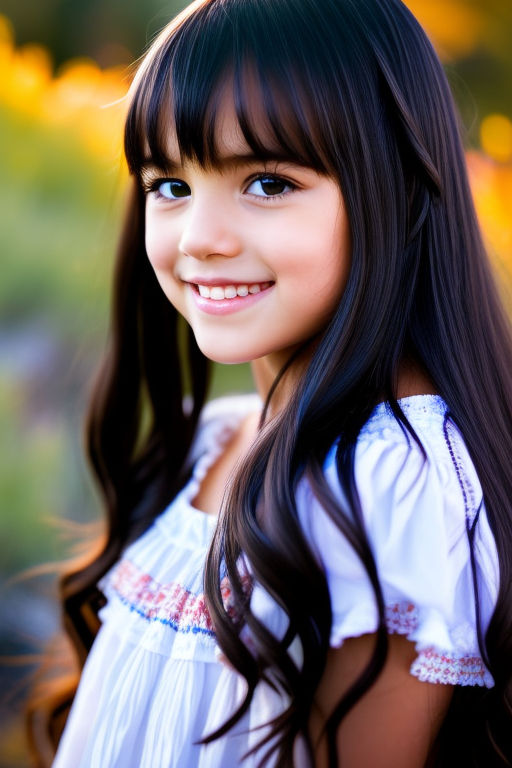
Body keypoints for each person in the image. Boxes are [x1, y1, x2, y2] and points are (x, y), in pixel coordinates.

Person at [46, 0, 512, 765]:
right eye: (170, 185)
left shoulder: (389, 488)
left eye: (266, 182)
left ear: (392, 189)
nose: (200, 238)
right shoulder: (218, 438)